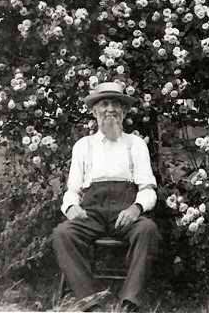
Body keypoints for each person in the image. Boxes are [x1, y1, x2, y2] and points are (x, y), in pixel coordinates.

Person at [53, 82, 160, 312]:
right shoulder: (84, 146)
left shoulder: (135, 144)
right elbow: (73, 189)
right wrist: (71, 207)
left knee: (148, 230)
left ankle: (129, 302)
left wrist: (136, 209)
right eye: (104, 104)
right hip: (91, 213)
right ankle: (91, 303)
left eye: (115, 104)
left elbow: (148, 188)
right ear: (94, 111)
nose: (110, 109)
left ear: (123, 112)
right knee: (63, 233)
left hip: (124, 212)